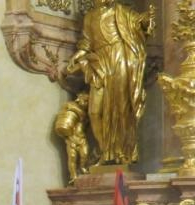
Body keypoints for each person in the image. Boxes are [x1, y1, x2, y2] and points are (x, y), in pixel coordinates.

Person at [66, 0, 155, 164]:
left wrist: (146, 20)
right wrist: (77, 56)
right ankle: (105, 150)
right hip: (99, 62)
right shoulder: (89, 17)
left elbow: (138, 24)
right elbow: (86, 43)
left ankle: (120, 152)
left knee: (121, 106)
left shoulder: (122, 12)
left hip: (120, 58)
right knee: (94, 112)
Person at [54, 92, 90, 184]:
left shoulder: (86, 113)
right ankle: (73, 176)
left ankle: (83, 168)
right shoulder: (70, 105)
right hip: (71, 138)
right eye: (85, 100)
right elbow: (67, 108)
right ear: (79, 99)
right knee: (72, 157)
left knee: (84, 154)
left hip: (81, 138)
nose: (86, 103)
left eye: (88, 102)